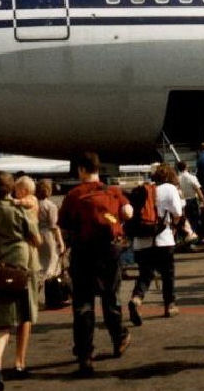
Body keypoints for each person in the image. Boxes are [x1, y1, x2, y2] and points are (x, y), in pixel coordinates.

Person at [58, 152, 133, 377]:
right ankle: (118, 338)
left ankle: (85, 356)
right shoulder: (113, 191)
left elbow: (64, 225)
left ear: (81, 170)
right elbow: (128, 213)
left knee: (83, 305)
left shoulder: (73, 195)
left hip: (83, 253)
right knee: (111, 299)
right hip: (109, 252)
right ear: (98, 169)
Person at [0, 172, 42, 389]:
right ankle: (19, 363)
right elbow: (37, 239)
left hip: (0, 266)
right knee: (25, 315)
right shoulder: (19, 209)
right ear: (10, 188)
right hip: (24, 266)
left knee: (3, 320)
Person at [128, 163, 183, 327]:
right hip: (163, 239)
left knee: (145, 274)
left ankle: (136, 299)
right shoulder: (169, 188)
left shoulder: (143, 189)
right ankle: (169, 305)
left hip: (141, 240)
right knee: (168, 274)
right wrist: (173, 224)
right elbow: (178, 213)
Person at [36, 179, 64, 281]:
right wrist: (60, 242)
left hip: (36, 234)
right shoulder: (51, 206)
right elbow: (54, 226)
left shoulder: (33, 205)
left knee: (39, 264)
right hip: (48, 235)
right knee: (52, 263)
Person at [177, 161, 204, 239]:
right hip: (192, 200)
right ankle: (193, 235)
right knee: (194, 219)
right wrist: (203, 200)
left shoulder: (177, 179)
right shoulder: (191, 177)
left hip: (182, 201)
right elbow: (197, 189)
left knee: (186, 220)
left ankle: (187, 236)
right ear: (186, 167)